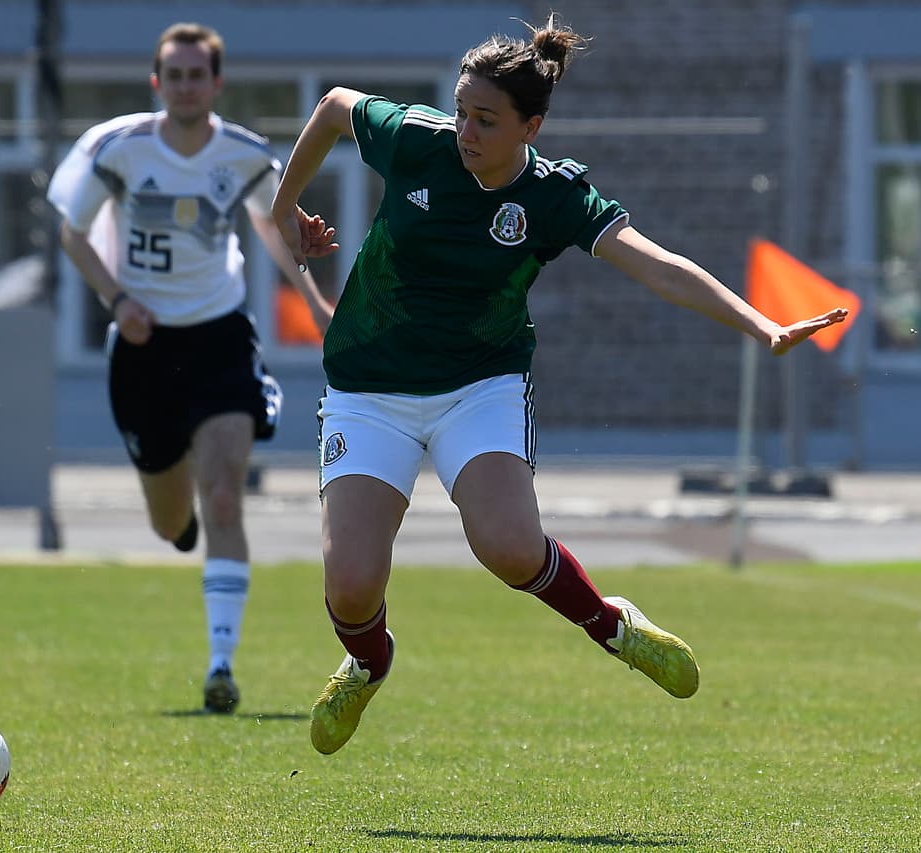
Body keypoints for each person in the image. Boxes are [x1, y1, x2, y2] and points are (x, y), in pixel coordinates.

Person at [271, 15, 849, 754]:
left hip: (478, 385)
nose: (464, 132)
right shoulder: (417, 139)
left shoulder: (552, 197)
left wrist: (760, 324)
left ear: (530, 128)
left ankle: (613, 624)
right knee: (351, 585)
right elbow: (331, 108)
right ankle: (368, 661)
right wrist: (286, 207)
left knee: (509, 545)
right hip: (368, 385)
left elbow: (657, 263)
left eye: (485, 120)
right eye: (459, 110)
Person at [47, 22, 333, 714]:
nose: (184, 86)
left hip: (219, 339)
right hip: (143, 349)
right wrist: (117, 299)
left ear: (216, 83)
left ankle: (220, 665)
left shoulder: (243, 155)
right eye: (172, 75)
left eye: (196, 74)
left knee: (226, 495)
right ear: (156, 83)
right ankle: (179, 529)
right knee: (171, 518)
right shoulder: (121, 149)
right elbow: (73, 233)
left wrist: (318, 303)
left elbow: (273, 225)